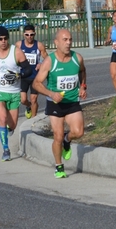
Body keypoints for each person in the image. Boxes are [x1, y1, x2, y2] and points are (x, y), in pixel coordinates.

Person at [33, 29, 87, 179]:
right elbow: (36, 83)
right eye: (65, 40)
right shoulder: (50, 61)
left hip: (72, 102)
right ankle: (59, 166)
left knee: (78, 132)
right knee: (56, 136)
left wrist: (83, 86)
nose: (68, 43)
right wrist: (51, 94)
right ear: (56, 42)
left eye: (70, 39)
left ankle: (67, 139)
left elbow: (82, 71)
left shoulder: (78, 58)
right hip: (55, 103)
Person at [0, 26, 32, 162]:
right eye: (0, 39)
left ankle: (9, 129)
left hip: (14, 92)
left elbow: (28, 70)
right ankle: (5, 149)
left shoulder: (17, 53)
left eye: (5, 39)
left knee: (13, 124)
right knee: (2, 118)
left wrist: (18, 74)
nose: (3, 41)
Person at [15, 23, 48, 119]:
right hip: (24, 76)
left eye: (31, 34)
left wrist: (41, 63)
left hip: (35, 77)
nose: (29, 37)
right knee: (23, 100)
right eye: (27, 35)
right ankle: (28, 106)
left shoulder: (39, 45)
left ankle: (33, 120)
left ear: (35, 34)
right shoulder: (19, 45)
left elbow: (48, 59)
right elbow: (13, 57)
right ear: (23, 34)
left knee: (34, 99)